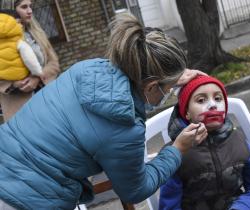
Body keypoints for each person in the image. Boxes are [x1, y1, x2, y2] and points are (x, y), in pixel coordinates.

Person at [0, 13, 209, 209]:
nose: (170, 91)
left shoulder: (87, 69)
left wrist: (169, 77)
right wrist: (177, 149)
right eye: (168, 88)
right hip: (26, 200)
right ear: (151, 86)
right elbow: (136, 190)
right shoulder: (124, 127)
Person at [159, 75, 250, 210]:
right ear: (187, 112)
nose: (212, 105)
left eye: (218, 98)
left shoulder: (239, 141)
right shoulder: (174, 154)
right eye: (201, 100)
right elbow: (169, 206)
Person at [0, 0, 60, 121]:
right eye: (24, 7)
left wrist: (37, 78)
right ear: (11, 9)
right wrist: (15, 84)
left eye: (30, 6)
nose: (30, 11)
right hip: (18, 108)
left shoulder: (36, 32)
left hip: (48, 100)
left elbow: (54, 63)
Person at [0, 12, 43, 79]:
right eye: (17, 23)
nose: (21, 25)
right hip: (23, 76)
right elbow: (37, 58)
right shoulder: (19, 41)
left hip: (5, 79)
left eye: (21, 23)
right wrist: (38, 72)